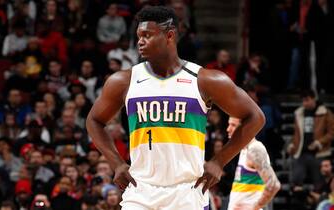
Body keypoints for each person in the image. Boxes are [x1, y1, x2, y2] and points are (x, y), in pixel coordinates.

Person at [86, 6, 265, 210]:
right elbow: (94, 120)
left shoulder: (205, 79)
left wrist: (219, 161)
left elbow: (255, 117)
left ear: (169, 35)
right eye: (138, 36)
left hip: (187, 193)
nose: (140, 41)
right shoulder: (124, 80)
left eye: (147, 35)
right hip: (140, 191)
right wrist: (116, 163)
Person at [227, 117, 281, 210]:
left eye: (233, 125)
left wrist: (256, 206)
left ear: (245, 127)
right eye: (229, 124)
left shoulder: (255, 149)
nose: (228, 129)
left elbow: (273, 184)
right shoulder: (245, 149)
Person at [287, 89, 334, 188]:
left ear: (313, 99)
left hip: (319, 153)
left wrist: (319, 142)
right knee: (296, 179)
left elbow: (331, 133)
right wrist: (292, 144)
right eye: (303, 101)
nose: (305, 103)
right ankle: (299, 197)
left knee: (319, 182)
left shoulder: (326, 113)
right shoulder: (299, 113)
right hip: (301, 152)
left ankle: (319, 198)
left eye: (307, 100)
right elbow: (296, 134)